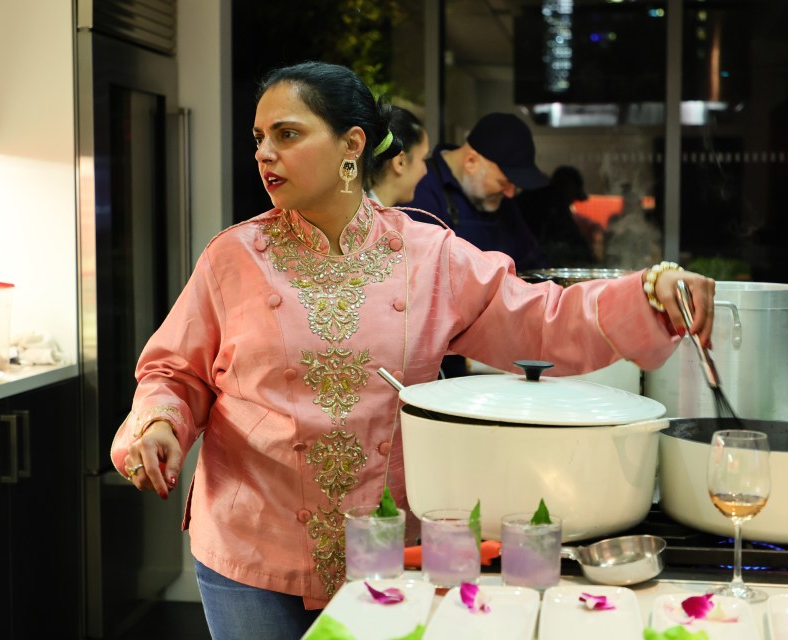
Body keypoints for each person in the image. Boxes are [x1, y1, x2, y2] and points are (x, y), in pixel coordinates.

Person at [110, 60, 717, 640]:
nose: (265, 153)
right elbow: (175, 370)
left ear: (352, 145)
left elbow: (544, 320)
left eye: (287, 134)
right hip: (250, 546)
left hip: (384, 544)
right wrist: (160, 423)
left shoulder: (429, 256)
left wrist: (649, 291)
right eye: (260, 137)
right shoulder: (233, 256)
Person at [402, 112, 550, 272]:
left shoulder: (503, 203)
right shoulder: (419, 190)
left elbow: (533, 263)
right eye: (503, 183)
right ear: (471, 161)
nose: (510, 194)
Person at [515, 164, 597, 267]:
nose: (572, 201)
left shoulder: (550, 201)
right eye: (573, 196)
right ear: (567, 186)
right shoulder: (552, 203)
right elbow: (571, 238)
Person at [365, 106, 429, 207]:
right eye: (423, 159)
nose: (425, 171)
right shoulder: (370, 219)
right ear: (400, 161)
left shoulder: (360, 213)